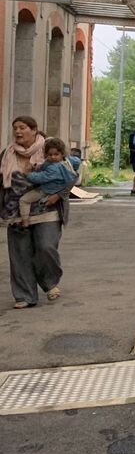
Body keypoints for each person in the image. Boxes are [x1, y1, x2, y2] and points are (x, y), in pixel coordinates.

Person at [2, 116, 68, 309]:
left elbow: (71, 175)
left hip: (47, 210)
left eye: (22, 128)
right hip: (15, 210)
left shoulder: (50, 149)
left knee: (46, 247)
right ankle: (24, 295)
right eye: (15, 128)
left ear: (34, 130)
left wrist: (59, 195)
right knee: (19, 254)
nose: (18, 132)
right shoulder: (7, 153)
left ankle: (50, 283)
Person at [19, 138, 75, 228]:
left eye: (56, 154)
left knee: (24, 200)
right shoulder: (63, 163)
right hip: (54, 189)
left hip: (47, 190)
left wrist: (28, 175)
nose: (53, 157)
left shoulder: (55, 167)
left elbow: (41, 177)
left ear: (62, 154)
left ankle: (25, 220)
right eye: (50, 155)